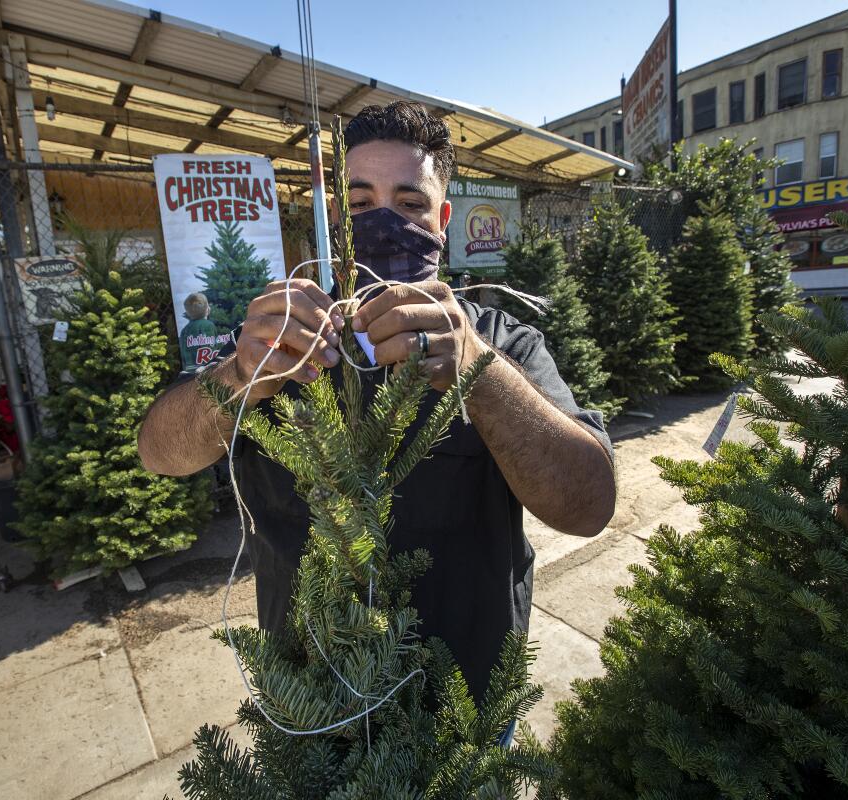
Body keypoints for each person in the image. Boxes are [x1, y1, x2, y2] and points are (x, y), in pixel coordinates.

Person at [139, 102, 616, 700]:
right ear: (338, 219)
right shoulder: (283, 338)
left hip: (462, 708)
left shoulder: (500, 342)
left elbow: (589, 506)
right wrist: (238, 376)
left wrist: (478, 371)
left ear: (441, 219)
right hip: (309, 699)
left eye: (410, 204)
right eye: (361, 204)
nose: (384, 223)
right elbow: (159, 452)